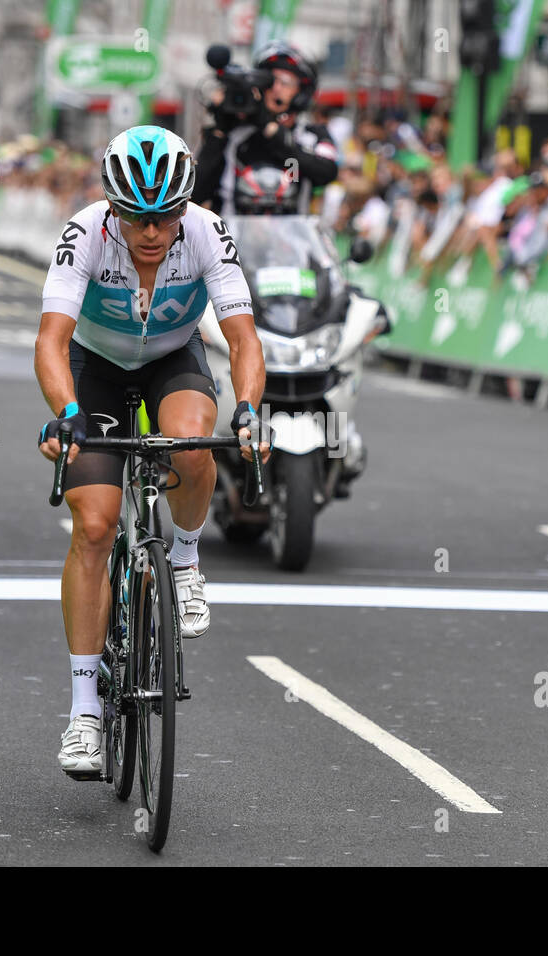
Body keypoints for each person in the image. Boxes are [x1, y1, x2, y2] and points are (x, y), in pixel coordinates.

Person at [35, 126, 270, 775]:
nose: (150, 231)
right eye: (135, 217)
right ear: (112, 207)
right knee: (94, 524)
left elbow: (244, 341)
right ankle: (84, 711)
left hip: (172, 357)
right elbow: (51, 342)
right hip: (96, 366)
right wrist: (71, 417)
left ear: (182, 209)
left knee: (193, 445)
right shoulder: (83, 235)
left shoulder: (205, 232)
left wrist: (248, 411)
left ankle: (187, 561)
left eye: (164, 216)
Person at [194, 41, 339, 217]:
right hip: (234, 240)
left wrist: (270, 129)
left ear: (302, 91)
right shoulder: (236, 135)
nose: (276, 89)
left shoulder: (311, 136)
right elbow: (196, 194)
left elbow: (326, 171)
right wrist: (219, 131)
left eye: (285, 82)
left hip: (293, 239)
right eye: (270, 80)